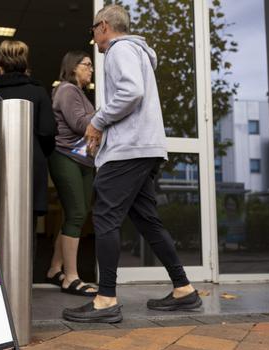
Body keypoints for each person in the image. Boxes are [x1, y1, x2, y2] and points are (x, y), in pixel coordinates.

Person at [63, 5, 202, 324]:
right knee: (148, 220)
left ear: (103, 27)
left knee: (105, 217)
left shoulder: (119, 49)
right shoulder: (137, 52)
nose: (94, 41)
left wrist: (97, 122)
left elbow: (130, 92)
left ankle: (105, 299)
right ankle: (183, 289)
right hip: (145, 148)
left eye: (93, 32)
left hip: (128, 150)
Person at [0, 40, 56, 235]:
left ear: (0, 68)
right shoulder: (39, 93)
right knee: (25, 231)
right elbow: (48, 132)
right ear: (26, 67)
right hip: (30, 168)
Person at [45, 51, 98, 296]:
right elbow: (79, 124)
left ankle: (56, 268)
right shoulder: (67, 90)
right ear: (73, 67)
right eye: (87, 65)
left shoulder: (80, 94)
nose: (91, 69)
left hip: (83, 161)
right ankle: (71, 278)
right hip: (65, 157)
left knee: (75, 214)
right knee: (77, 213)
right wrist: (105, 113)